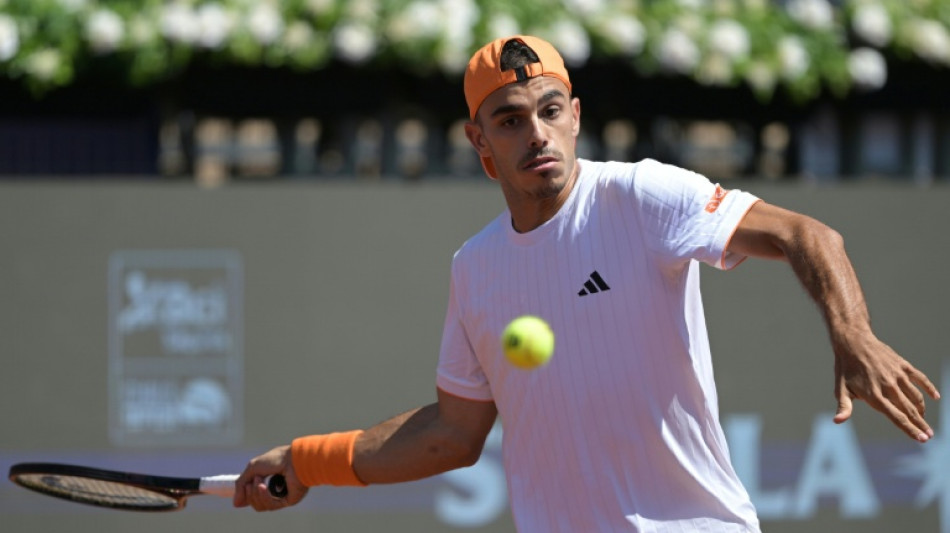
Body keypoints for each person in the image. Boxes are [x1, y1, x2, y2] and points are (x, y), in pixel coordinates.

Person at [234, 35, 940, 531]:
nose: (536, 134)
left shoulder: (643, 196)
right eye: (509, 121)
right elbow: (452, 432)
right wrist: (306, 459)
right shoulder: (475, 268)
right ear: (481, 143)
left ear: (575, 117)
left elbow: (807, 235)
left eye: (549, 111)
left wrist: (852, 334)